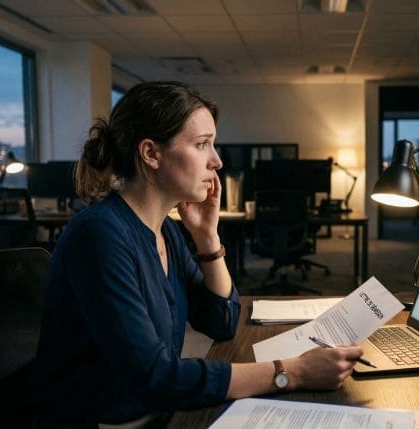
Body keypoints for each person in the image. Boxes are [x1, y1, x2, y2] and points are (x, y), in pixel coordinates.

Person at [29, 81, 364, 427]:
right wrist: (291, 373)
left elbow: (221, 322)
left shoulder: (167, 230)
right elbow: (154, 377)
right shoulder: (100, 235)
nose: (217, 161)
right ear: (151, 154)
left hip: (150, 411)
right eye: (202, 145)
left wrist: (207, 237)